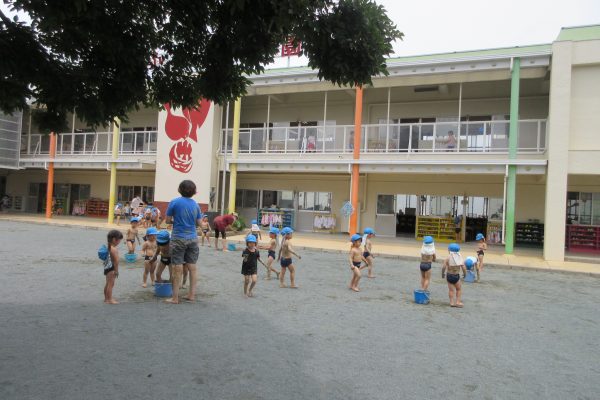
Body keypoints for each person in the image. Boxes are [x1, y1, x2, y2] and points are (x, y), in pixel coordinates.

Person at [165, 180, 203, 304]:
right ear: (193, 192)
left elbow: (167, 220)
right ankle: (191, 295)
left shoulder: (174, 202)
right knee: (192, 267)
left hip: (178, 237)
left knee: (177, 267)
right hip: (192, 238)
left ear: (180, 189)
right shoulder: (196, 205)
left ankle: (175, 298)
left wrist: (176, 222)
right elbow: (199, 223)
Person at [99, 229, 123, 304]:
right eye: (119, 240)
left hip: (107, 267)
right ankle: (110, 299)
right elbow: (116, 261)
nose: (119, 242)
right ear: (114, 239)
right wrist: (116, 271)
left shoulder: (107, 246)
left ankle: (106, 298)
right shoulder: (114, 249)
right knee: (111, 284)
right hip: (112, 268)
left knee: (107, 283)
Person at [442, 243, 467, 307]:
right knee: (458, 289)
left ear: (449, 250)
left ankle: (452, 302)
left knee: (451, 290)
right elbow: (463, 267)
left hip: (449, 275)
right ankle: (458, 302)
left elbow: (444, 267)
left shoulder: (448, 258)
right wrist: (465, 274)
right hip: (456, 276)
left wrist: (443, 273)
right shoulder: (460, 257)